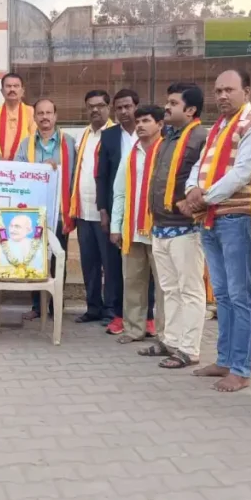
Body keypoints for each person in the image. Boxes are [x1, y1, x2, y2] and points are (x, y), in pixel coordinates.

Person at [181, 69, 251, 393]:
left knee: (240, 295)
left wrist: (201, 198)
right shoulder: (218, 126)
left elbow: (243, 172)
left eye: (229, 90)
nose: (221, 96)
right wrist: (193, 188)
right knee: (221, 294)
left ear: (246, 91)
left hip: (235, 218)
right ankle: (224, 359)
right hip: (210, 217)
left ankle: (241, 368)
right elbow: (199, 165)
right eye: (218, 90)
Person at [136, 84, 208, 369]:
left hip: (186, 227)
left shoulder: (201, 138)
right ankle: (172, 341)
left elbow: (207, 176)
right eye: (167, 102)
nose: (167, 107)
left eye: (173, 103)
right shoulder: (168, 138)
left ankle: (189, 350)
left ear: (190, 110)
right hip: (161, 225)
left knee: (189, 290)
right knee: (169, 289)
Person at [97, 89, 156, 335]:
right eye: (119, 108)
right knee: (121, 269)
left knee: (150, 270)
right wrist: (103, 210)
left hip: (150, 213)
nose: (123, 112)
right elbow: (102, 176)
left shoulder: (157, 138)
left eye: (128, 107)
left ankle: (150, 318)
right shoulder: (109, 136)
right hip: (120, 212)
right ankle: (122, 316)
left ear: (136, 106)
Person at [109, 106, 168, 345]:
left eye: (147, 120)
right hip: (132, 229)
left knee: (164, 285)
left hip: (159, 229)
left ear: (160, 125)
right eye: (139, 121)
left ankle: (166, 334)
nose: (141, 125)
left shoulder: (166, 151)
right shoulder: (131, 153)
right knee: (132, 281)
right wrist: (116, 226)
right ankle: (134, 329)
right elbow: (120, 192)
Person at [14, 98, 76, 319]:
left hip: (60, 212)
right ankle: (37, 306)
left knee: (58, 258)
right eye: (40, 113)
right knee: (35, 258)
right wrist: (40, 169)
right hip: (33, 213)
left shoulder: (69, 143)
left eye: (49, 113)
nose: (45, 117)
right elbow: (17, 174)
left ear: (56, 116)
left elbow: (75, 176)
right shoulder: (26, 144)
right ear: (35, 117)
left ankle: (56, 305)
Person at [69, 90, 116, 324]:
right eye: (90, 106)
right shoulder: (83, 136)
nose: (95, 110)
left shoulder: (115, 135)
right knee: (89, 263)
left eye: (99, 105)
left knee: (109, 263)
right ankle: (93, 307)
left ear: (109, 108)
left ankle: (110, 309)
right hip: (83, 211)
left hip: (104, 212)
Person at [0, 72, 36, 160]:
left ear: (22, 91)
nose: (12, 89)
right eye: (8, 86)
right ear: (2, 91)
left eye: (16, 86)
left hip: (25, 165)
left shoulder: (31, 112)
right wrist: (3, 163)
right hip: (0, 166)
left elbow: (36, 141)